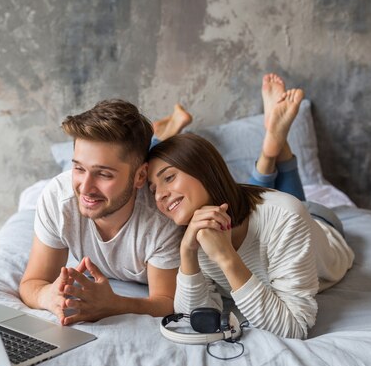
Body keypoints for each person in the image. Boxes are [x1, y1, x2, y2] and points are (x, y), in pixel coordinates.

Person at [147, 74, 355, 339]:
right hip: (255, 205)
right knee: (249, 198)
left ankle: (273, 149)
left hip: (322, 226)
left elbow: (295, 327)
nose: (160, 195)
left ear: (203, 171)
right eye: (153, 190)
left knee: (291, 206)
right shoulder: (188, 232)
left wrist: (226, 257)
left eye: (169, 177)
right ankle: (271, 146)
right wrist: (187, 254)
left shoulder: (285, 216)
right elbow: (192, 318)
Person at [19, 99, 191, 326]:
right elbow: (32, 283)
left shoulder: (162, 217)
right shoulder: (58, 197)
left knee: (174, 161)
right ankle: (163, 133)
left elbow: (166, 302)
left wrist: (115, 305)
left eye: (104, 174)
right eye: (78, 168)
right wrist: (47, 296)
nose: (86, 188)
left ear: (140, 176)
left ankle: (168, 133)